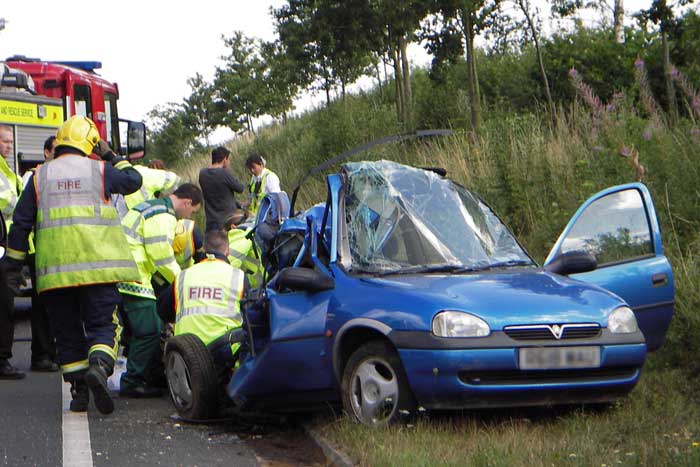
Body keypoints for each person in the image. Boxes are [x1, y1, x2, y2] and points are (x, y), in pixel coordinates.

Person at [2, 115, 143, 414]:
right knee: (104, 325)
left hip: (54, 275)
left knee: (65, 332)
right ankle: (100, 366)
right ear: (89, 143)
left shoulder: (39, 177)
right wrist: (109, 153)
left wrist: (12, 267)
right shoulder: (101, 169)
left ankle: (79, 391)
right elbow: (134, 180)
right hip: (97, 268)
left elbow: (20, 224)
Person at [117, 183, 202, 398]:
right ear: (187, 202)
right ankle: (132, 382)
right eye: (192, 211)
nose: (189, 216)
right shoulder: (163, 216)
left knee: (142, 328)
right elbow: (162, 257)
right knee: (149, 330)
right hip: (134, 276)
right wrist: (184, 281)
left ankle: (148, 376)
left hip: (127, 270)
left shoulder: (151, 207)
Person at [157, 230, 245, 373]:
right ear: (227, 251)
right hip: (227, 358)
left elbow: (163, 310)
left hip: (187, 356)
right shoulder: (238, 277)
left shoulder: (183, 277)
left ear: (203, 249)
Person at [22, 135, 59, 372]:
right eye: (56, 149)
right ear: (46, 152)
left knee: (57, 305)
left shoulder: (60, 176)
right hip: (38, 249)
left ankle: (53, 353)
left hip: (58, 249)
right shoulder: (34, 177)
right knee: (43, 305)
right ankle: (41, 355)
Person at [0, 123, 24, 379]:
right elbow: (8, 201)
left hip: (6, 244)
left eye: (10, 141)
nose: (9, 145)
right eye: (5, 141)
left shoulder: (6, 170)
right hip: (3, 247)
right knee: (4, 305)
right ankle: (2, 360)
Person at [199, 146, 245, 232]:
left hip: (211, 221)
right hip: (228, 221)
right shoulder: (223, 173)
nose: (229, 162)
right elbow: (240, 188)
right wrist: (229, 172)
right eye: (228, 160)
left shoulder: (202, 174)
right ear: (224, 160)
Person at [245, 153, 281, 218]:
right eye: (250, 169)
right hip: (254, 217)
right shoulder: (254, 179)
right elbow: (252, 199)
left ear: (261, 164)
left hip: (266, 218)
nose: (252, 171)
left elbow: (277, 200)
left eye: (253, 167)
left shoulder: (270, 177)